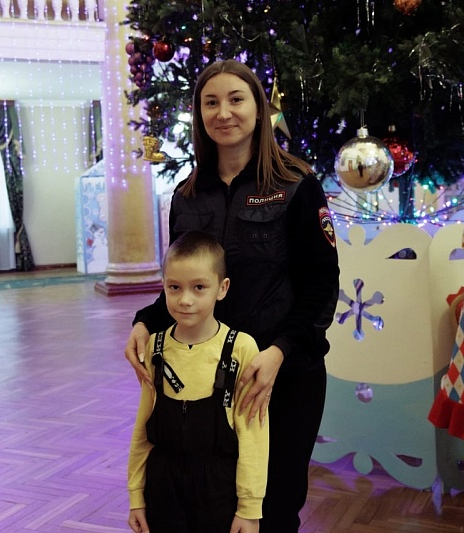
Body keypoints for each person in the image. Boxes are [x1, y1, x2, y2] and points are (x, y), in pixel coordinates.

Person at [125, 59, 340, 532]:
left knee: (273, 510)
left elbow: (321, 286)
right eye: (211, 102)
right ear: (199, 114)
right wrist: (144, 321)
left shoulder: (297, 185)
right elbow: (186, 286)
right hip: (208, 380)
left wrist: (279, 352)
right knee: (214, 508)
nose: (223, 113)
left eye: (236, 99)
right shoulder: (187, 196)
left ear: (259, 109)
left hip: (280, 379)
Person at [127, 230, 267, 533]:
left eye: (199, 287)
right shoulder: (154, 348)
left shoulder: (241, 349)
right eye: (174, 287)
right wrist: (136, 496)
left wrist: (249, 509)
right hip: (163, 490)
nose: (185, 300)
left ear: (222, 288)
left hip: (219, 492)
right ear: (163, 285)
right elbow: (142, 429)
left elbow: (253, 437)